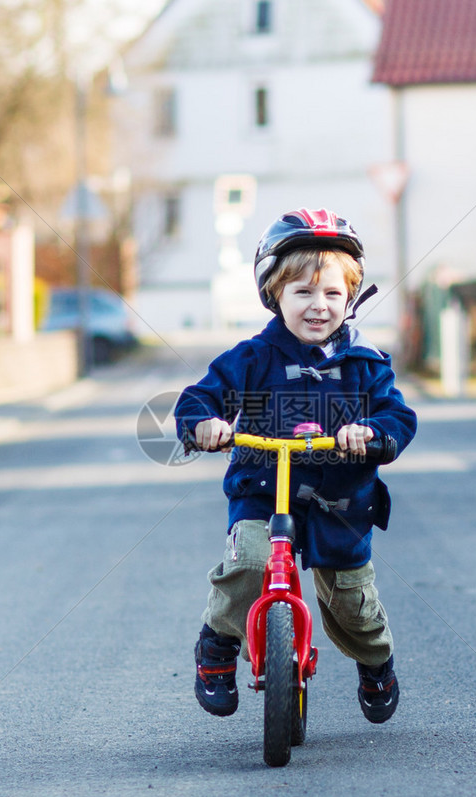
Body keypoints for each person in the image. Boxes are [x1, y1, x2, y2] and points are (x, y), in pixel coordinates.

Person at [175, 208, 417, 724]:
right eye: (302, 292)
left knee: (352, 603)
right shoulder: (252, 357)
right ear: (274, 294)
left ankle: (376, 662)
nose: (318, 305)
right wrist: (205, 424)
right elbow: (199, 398)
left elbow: (398, 415)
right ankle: (217, 646)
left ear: (349, 298)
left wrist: (373, 433)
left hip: (340, 498)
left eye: (332, 294)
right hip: (264, 490)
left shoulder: (365, 363)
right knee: (249, 563)